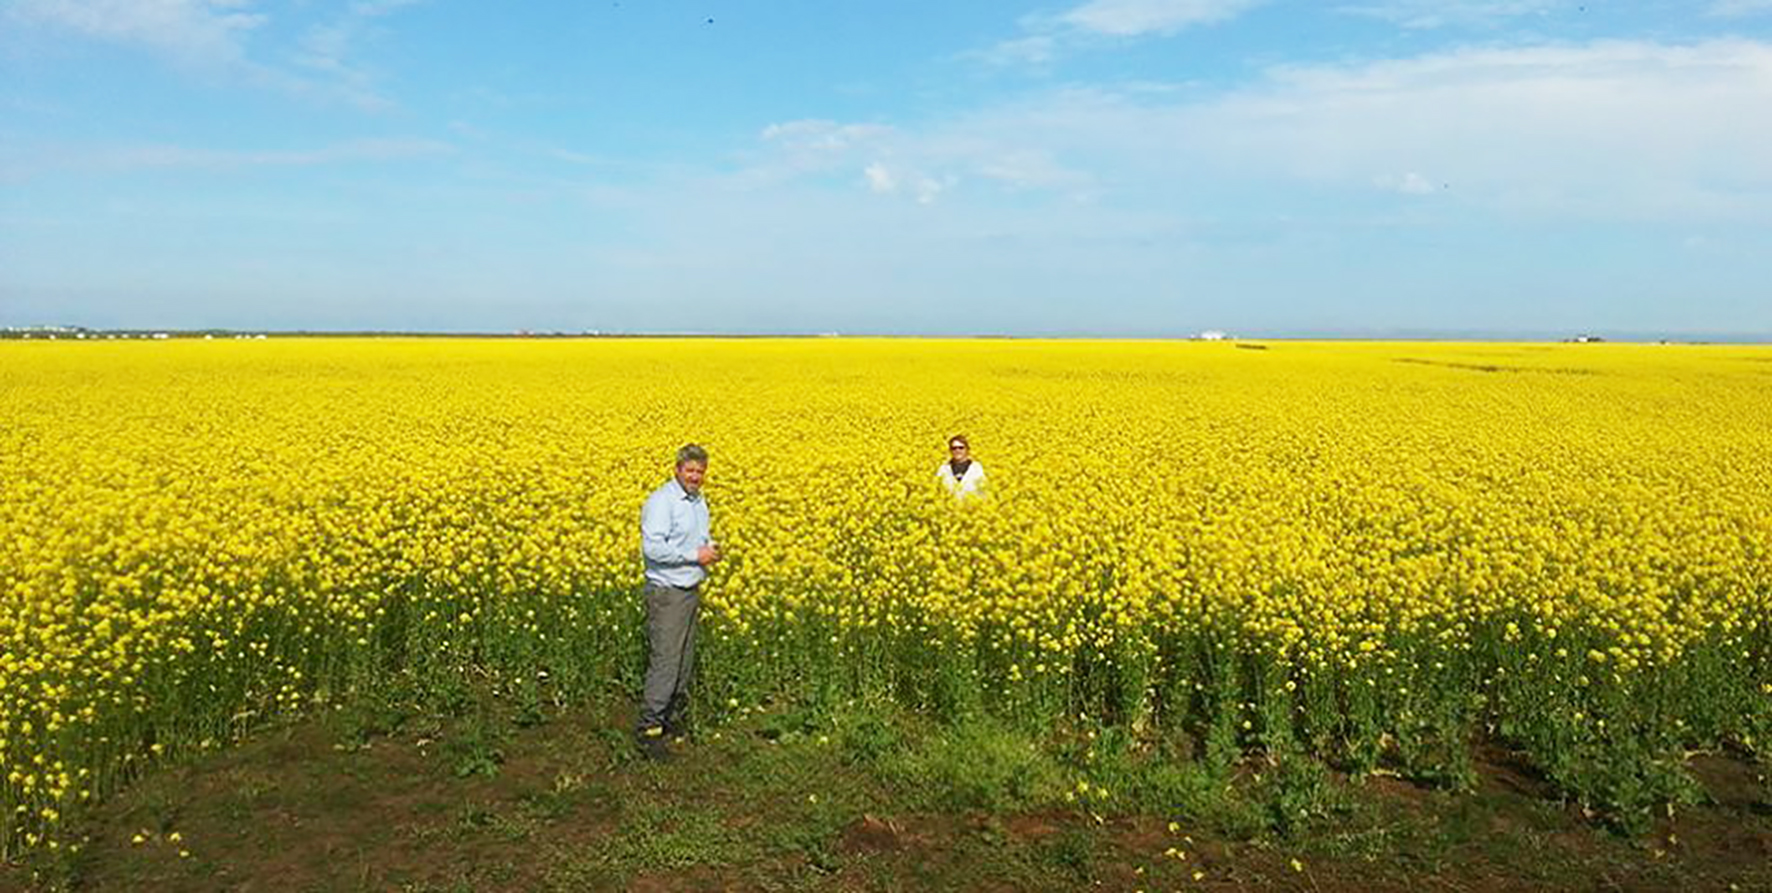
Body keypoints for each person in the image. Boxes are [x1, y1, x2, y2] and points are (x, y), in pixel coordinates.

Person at [636, 443, 721, 760]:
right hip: (668, 592)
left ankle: (670, 723)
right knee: (666, 663)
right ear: (677, 469)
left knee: (683, 662)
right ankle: (649, 732)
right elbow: (653, 549)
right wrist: (693, 555)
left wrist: (709, 548)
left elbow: (700, 536)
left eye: (700, 472)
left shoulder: (698, 501)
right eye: (690, 470)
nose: (695, 476)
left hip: (689, 590)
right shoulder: (662, 502)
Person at [937, 434, 986, 499]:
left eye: (961, 448)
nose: (957, 450)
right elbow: (937, 492)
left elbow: (984, 493)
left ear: (967, 449)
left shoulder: (977, 468)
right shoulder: (943, 469)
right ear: (950, 450)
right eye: (954, 448)